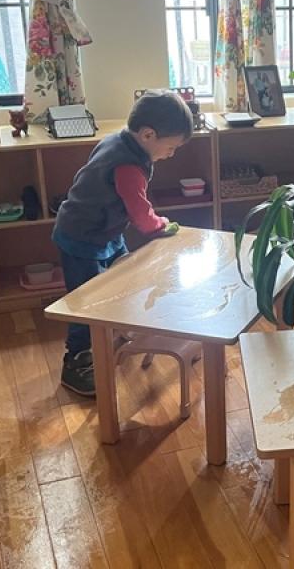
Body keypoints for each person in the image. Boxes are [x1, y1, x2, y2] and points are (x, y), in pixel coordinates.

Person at [52, 89, 192, 396]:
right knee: (84, 302)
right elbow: (140, 212)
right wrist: (160, 226)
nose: (171, 154)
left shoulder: (118, 140)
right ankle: (75, 361)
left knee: (125, 278)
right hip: (81, 238)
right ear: (147, 134)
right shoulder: (128, 165)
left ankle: (119, 327)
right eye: (170, 147)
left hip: (105, 231)